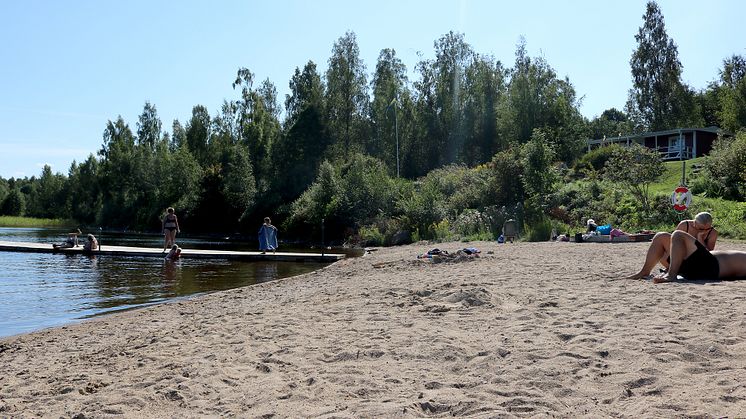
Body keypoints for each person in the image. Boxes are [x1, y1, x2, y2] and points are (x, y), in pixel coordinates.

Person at [628, 229, 746, 283]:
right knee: (660, 237)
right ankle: (645, 271)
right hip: (691, 266)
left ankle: (671, 274)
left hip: (709, 267)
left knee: (678, 235)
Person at [625, 212, 718, 273]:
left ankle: (674, 269)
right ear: (694, 223)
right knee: (660, 242)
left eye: (707, 228)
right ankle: (645, 271)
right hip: (679, 254)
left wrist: (700, 238)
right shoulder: (684, 225)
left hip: (697, 260)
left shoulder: (712, 232)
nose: (704, 230)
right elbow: (673, 242)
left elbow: (708, 254)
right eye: (701, 228)